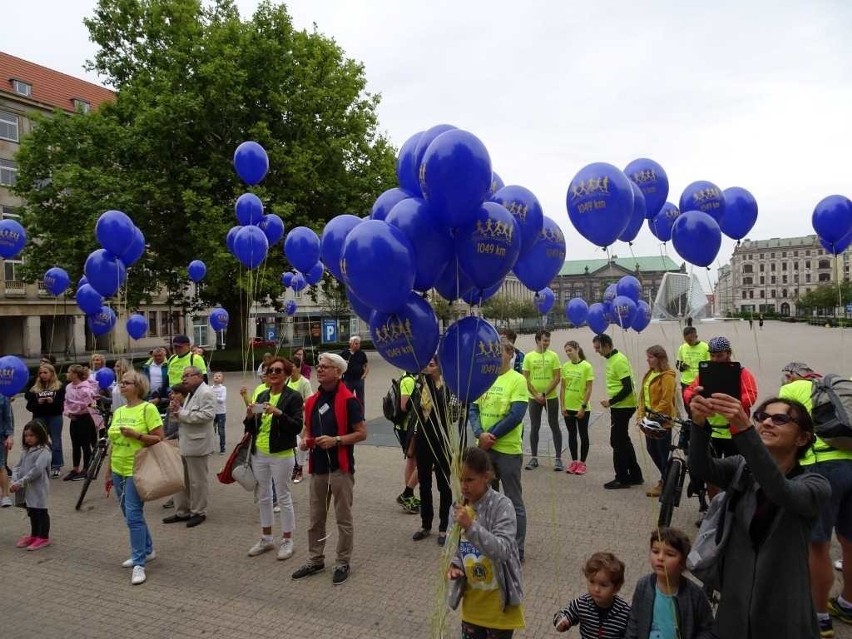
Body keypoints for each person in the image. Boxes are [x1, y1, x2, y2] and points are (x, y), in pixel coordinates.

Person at [688, 393, 830, 638]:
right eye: (762, 417)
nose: (766, 423)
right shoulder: (742, 468)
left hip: (783, 609)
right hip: (736, 605)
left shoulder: (815, 485)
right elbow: (702, 468)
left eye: (780, 419)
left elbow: (780, 490)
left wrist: (745, 431)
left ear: (803, 438)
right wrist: (699, 424)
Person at [779, 362, 852, 637]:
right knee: (849, 541)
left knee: (817, 545)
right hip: (851, 461)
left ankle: (819, 616)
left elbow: (785, 430)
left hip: (821, 467)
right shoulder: (837, 387)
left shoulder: (791, 388)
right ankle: (847, 604)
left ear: (790, 375)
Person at [291, 352, 367, 585]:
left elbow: (362, 433)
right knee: (316, 518)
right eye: (318, 366)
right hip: (319, 468)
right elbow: (307, 428)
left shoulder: (348, 400)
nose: (319, 370)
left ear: (338, 372)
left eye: (325, 366)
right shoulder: (313, 400)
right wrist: (306, 439)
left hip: (341, 469)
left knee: (343, 519)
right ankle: (316, 559)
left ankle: (343, 561)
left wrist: (336, 440)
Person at [448, 446, 524, 638]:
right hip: (473, 607)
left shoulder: (502, 505)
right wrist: (455, 565)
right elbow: (455, 546)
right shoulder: (458, 507)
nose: (463, 486)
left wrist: (471, 526)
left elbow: (503, 550)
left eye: (469, 480)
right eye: (460, 479)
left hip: (499, 608)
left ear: (486, 476)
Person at [469, 341, 528, 561]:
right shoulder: (484, 378)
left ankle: (516, 549)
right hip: (484, 450)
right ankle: (487, 542)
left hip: (507, 451)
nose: (492, 356)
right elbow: (473, 409)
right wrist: (478, 433)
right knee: (484, 498)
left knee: (513, 501)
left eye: (498, 352)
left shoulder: (518, 380)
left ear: (510, 354)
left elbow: (516, 415)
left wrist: (490, 436)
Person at [104, 370, 164, 584]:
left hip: (136, 469)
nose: (122, 385)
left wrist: (137, 435)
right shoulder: (119, 411)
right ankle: (147, 549)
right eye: (121, 383)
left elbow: (159, 439)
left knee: (133, 515)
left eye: (127, 383)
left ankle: (139, 563)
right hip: (119, 467)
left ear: (138, 386)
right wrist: (108, 470)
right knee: (130, 515)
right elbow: (112, 441)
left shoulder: (148, 409)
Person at [243, 357, 303, 560]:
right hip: (260, 452)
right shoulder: (261, 393)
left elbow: (297, 426)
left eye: (278, 371)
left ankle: (287, 540)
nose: (273, 374)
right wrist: (250, 416)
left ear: (286, 375)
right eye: (270, 371)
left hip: (281, 453)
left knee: (284, 496)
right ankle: (266, 538)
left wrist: (278, 413)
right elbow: (251, 427)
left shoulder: (292, 397)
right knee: (264, 495)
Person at [682, 336, 758, 498]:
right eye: (713, 356)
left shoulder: (742, 373)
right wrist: (693, 398)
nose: (716, 359)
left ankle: (733, 504)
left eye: (720, 355)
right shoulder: (706, 373)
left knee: (736, 473)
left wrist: (729, 401)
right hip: (711, 432)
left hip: (734, 433)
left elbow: (751, 396)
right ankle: (713, 508)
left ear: (729, 353)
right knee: (711, 474)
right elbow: (689, 390)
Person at [624, 528, 714, 639]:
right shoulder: (643, 585)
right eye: (655, 551)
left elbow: (709, 629)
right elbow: (634, 620)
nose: (660, 558)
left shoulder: (695, 594)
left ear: (683, 562)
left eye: (670, 554)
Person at [162, 366, 215, 528]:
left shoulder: (206, 392)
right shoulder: (191, 392)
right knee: (182, 479)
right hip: (185, 442)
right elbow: (186, 416)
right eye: (183, 375)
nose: (184, 378)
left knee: (197, 481)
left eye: (187, 375)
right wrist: (177, 411)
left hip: (198, 444)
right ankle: (182, 511)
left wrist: (182, 414)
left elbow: (208, 415)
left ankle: (198, 511)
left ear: (199, 376)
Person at [410, 358, 453, 546]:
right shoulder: (421, 384)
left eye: (432, 365)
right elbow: (413, 409)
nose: (428, 367)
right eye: (427, 365)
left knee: (444, 485)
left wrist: (436, 385)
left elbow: (449, 411)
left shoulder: (448, 386)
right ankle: (425, 523)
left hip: (442, 439)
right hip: (423, 438)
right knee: (424, 483)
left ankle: (444, 526)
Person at [592, 334, 643, 489]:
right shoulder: (612, 359)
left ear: (607, 345)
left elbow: (628, 387)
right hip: (620, 406)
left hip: (623, 406)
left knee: (617, 441)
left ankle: (621, 478)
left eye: (598, 347)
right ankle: (635, 475)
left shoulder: (619, 360)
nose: (597, 351)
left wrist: (611, 402)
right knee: (623, 440)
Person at [553, 551, 630, 637]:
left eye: (603, 585)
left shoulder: (625, 612)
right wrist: (561, 622)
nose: (596, 589)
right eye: (592, 582)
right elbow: (564, 614)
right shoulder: (581, 603)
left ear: (616, 588)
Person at [635, 345, 677, 498]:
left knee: (662, 451)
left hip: (661, 421)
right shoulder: (650, 374)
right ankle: (667, 478)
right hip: (648, 420)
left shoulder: (667, 376)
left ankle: (665, 482)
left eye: (651, 357)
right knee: (651, 449)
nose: (648, 360)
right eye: (648, 357)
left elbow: (666, 400)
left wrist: (652, 415)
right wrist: (641, 415)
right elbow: (642, 396)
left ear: (660, 358)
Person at [522, 329, 563, 471]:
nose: (547, 343)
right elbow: (525, 378)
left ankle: (558, 459)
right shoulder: (529, 357)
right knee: (535, 426)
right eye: (544, 340)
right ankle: (534, 458)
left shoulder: (554, 356)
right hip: (534, 398)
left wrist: (544, 394)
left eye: (548, 341)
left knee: (554, 425)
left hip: (550, 397)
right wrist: (535, 394)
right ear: (538, 340)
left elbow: (557, 377)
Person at [10, 421, 53, 551]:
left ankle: (43, 537)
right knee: (32, 511)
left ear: (40, 435)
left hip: (37, 487)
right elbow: (17, 466)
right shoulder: (26, 450)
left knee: (40, 510)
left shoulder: (44, 451)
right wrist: (15, 479)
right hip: (26, 487)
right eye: (26, 436)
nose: (28, 438)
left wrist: (21, 482)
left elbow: (36, 471)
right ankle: (34, 535)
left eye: (31, 435)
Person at [24, 363, 66, 478]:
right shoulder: (35, 388)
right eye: (40, 373)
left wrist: (53, 401)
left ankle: (56, 465)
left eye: (45, 373)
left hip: (55, 416)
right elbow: (29, 406)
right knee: (40, 441)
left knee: (56, 441)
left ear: (52, 373)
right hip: (39, 416)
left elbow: (61, 406)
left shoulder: (59, 387)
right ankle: (41, 463)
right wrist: (38, 402)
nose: (42, 375)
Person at [559, 340, 594, 475]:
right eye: (566, 351)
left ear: (577, 349)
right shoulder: (566, 366)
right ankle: (574, 461)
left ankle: (582, 462)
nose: (568, 353)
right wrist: (562, 406)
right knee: (572, 434)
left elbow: (589, 388)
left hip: (582, 407)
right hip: (568, 406)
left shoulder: (586, 366)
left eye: (570, 350)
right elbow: (562, 387)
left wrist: (583, 407)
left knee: (583, 434)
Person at [62, 364, 100, 481]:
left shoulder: (86, 389)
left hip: (85, 418)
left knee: (85, 444)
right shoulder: (68, 387)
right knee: (75, 444)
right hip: (74, 419)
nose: (67, 374)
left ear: (75, 374)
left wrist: (77, 410)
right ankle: (75, 468)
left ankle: (86, 469)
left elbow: (90, 405)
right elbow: (66, 402)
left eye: (69, 372)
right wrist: (68, 413)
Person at [396, 371, 420, 514]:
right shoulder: (409, 380)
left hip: (410, 428)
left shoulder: (412, 378)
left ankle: (408, 495)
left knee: (412, 461)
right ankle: (407, 493)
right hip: (409, 429)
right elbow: (404, 406)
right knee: (422, 462)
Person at [287, 354, 313, 483]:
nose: (289, 369)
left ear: (298, 367)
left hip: (301, 418)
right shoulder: (286, 381)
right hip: (287, 419)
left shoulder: (304, 382)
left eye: (291, 366)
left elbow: (310, 402)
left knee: (300, 446)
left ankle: (299, 469)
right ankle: (293, 467)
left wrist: (297, 405)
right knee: (291, 445)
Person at [675, 327, 709, 417]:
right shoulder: (682, 348)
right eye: (687, 341)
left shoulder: (705, 347)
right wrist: (682, 366)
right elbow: (678, 364)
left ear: (696, 336)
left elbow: (710, 365)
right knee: (688, 407)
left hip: (700, 383)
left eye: (690, 340)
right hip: (686, 382)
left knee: (701, 408)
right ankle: (691, 423)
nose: (689, 343)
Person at [340, 336, 369, 408]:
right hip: (348, 380)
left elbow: (366, 366)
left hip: (359, 380)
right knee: (348, 399)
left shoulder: (362, 354)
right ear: (351, 344)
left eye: (359, 343)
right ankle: (350, 416)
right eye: (356, 343)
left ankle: (361, 416)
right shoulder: (345, 353)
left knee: (360, 399)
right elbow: (339, 367)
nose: (358, 345)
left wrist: (364, 375)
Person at [142, 347, 170, 412]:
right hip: (149, 396)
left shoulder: (168, 365)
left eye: (160, 356)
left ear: (164, 355)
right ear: (152, 356)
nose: (157, 357)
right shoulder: (147, 366)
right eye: (155, 356)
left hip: (164, 396)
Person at [0, 393, 13, 507]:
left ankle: (5, 496)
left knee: (1, 466)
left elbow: (8, 417)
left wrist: (9, 436)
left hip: (0, 435)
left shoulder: (3, 396)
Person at [211, 371, 227, 454]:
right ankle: (210, 448)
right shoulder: (210, 388)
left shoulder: (223, 388)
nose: (217, 377)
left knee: (221, 431)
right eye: (215, 376)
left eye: (219, 376)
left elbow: (222, 400)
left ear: (222, 380)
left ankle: (222, 448)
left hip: (221, 413)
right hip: (212, 412)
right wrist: (216, 397)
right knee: (211, 431)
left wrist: (213, 397)